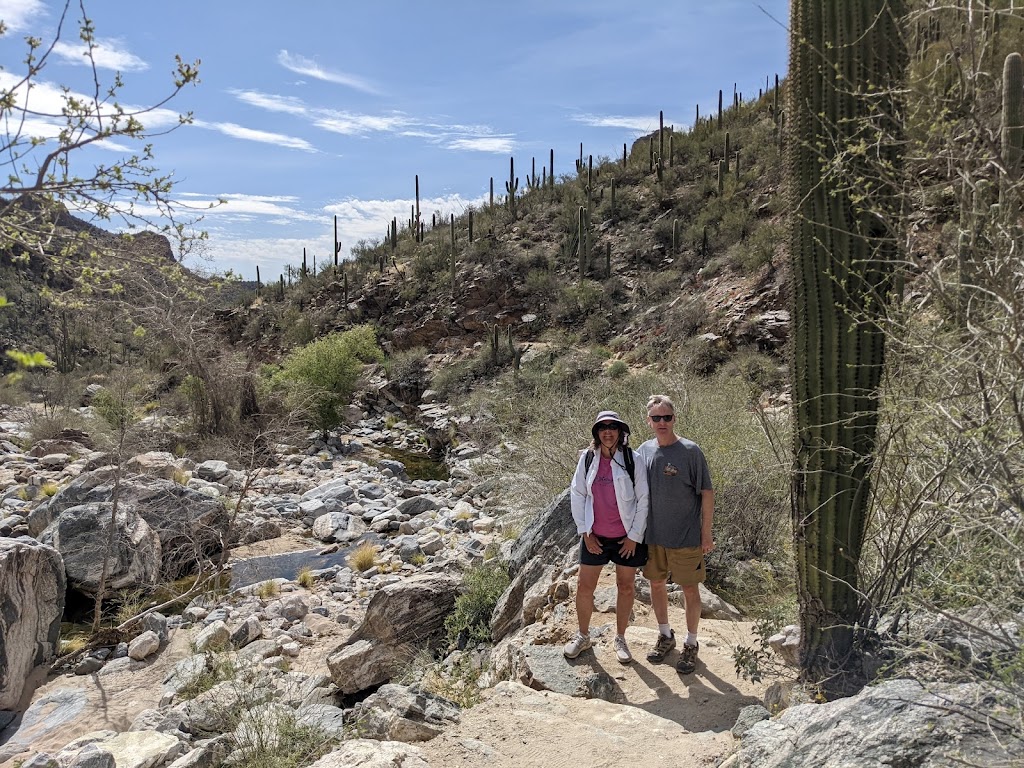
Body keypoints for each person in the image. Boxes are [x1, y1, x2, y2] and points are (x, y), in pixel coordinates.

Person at [564, 410, 650, 664]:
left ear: (621, 432)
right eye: (603, 427)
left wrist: (634, 536)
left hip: (626, 537)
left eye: (613, 427)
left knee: (625, 586)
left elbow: (644, 499)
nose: (608, 432)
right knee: (584, 586)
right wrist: (584, 531)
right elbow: (577, 493)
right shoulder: (588, 459)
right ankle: (582, 635)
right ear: (597, 433)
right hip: (595, 535)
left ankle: (620, 637)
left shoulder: (633, 460)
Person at [637, 395, 715, 674]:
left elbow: (706, 492)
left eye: (666, 417)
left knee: (689, 588)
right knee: (656, 584)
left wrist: (706, 533)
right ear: (648, 421)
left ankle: (691, 643)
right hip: (653, 535)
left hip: (686, 535)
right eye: (656, 418)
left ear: (674, 419)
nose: (661, 422)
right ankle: (665, 635)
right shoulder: (643, 451)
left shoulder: (691, 451)